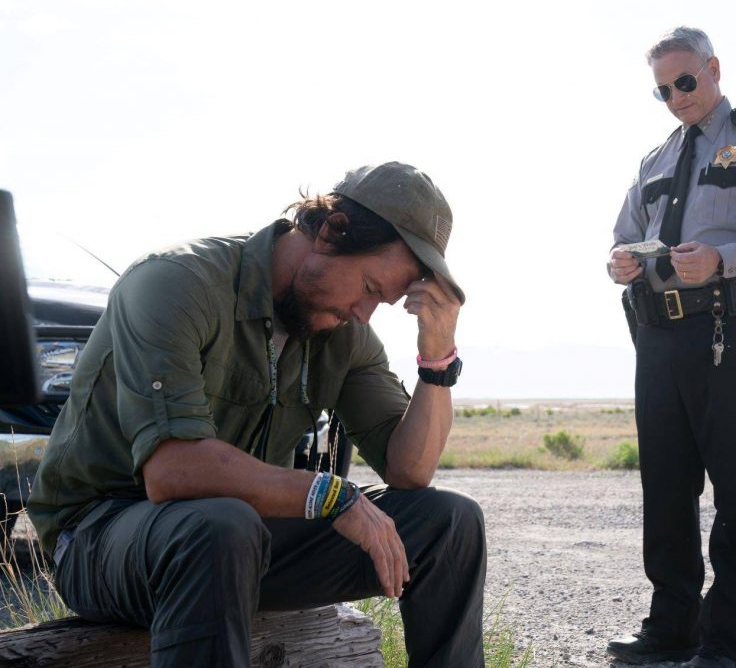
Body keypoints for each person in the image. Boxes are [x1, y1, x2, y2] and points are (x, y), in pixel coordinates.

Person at [27, 162, 485, 668]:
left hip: (242, 543)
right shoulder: (176, 281)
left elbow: (411, 470)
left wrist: (437, 358)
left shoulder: (346, 333)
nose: (364, 313)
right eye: (372, 289)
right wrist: (331, 495)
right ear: (332, 231)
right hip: (100, 538)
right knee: (220, 525)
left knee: (450, 522)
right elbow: (173, 470)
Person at [605, 27, 736, 668]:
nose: (676, 98)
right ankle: (673, 629)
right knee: (666, 489)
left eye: (685, 82)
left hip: (731, 329)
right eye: (663, 91)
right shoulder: (655, 159)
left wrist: (724, 258)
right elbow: (624, 234)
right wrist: (620, 263)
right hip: (657, 337)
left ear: (714, 69)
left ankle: (727, 647)